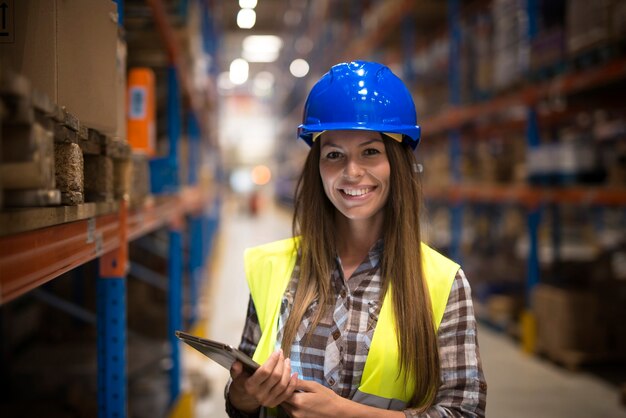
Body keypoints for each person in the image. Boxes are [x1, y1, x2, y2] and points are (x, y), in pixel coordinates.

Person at [225, 61, 487, 417]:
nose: (351, 172)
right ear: (317, 167)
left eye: (370, 152)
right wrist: (245, 394)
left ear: (397, 162)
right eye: (334, 155)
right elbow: (241, 398)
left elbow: (464, 412)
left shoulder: (442, 282)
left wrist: (343, 413)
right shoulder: (273, 267)